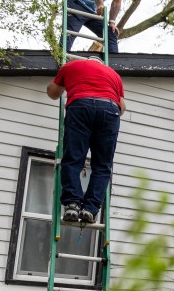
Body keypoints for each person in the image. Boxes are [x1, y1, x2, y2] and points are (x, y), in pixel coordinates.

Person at [46, 57, 126, 224]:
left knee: (73, 158)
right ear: (100, 63)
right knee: (103, 165)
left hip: (80, 106)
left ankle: (72, 204)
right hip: (110, 110)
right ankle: (90, 209)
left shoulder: (72, 65)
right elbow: (122, 107)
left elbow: (54, 93)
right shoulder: (114, 75)